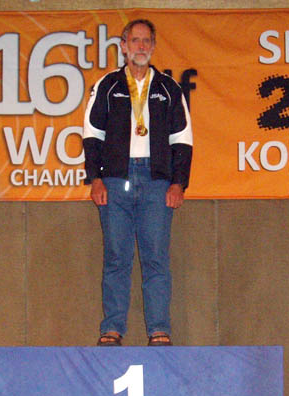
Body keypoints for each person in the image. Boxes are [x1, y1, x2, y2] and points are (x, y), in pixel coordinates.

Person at [83, 19, 193, 347]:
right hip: (115, 180)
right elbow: (92, 135)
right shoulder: (108, 85)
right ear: (124, 46)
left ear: (153, 47)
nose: (141, 47)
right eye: (136, 41)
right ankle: (112, 328)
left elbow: (183, 140)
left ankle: (159, 329)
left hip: (157, 182)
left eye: (147, 41)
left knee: (156, 257)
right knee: (117, 256)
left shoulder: (169, 89)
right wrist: (96, 179)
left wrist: (178, 184)